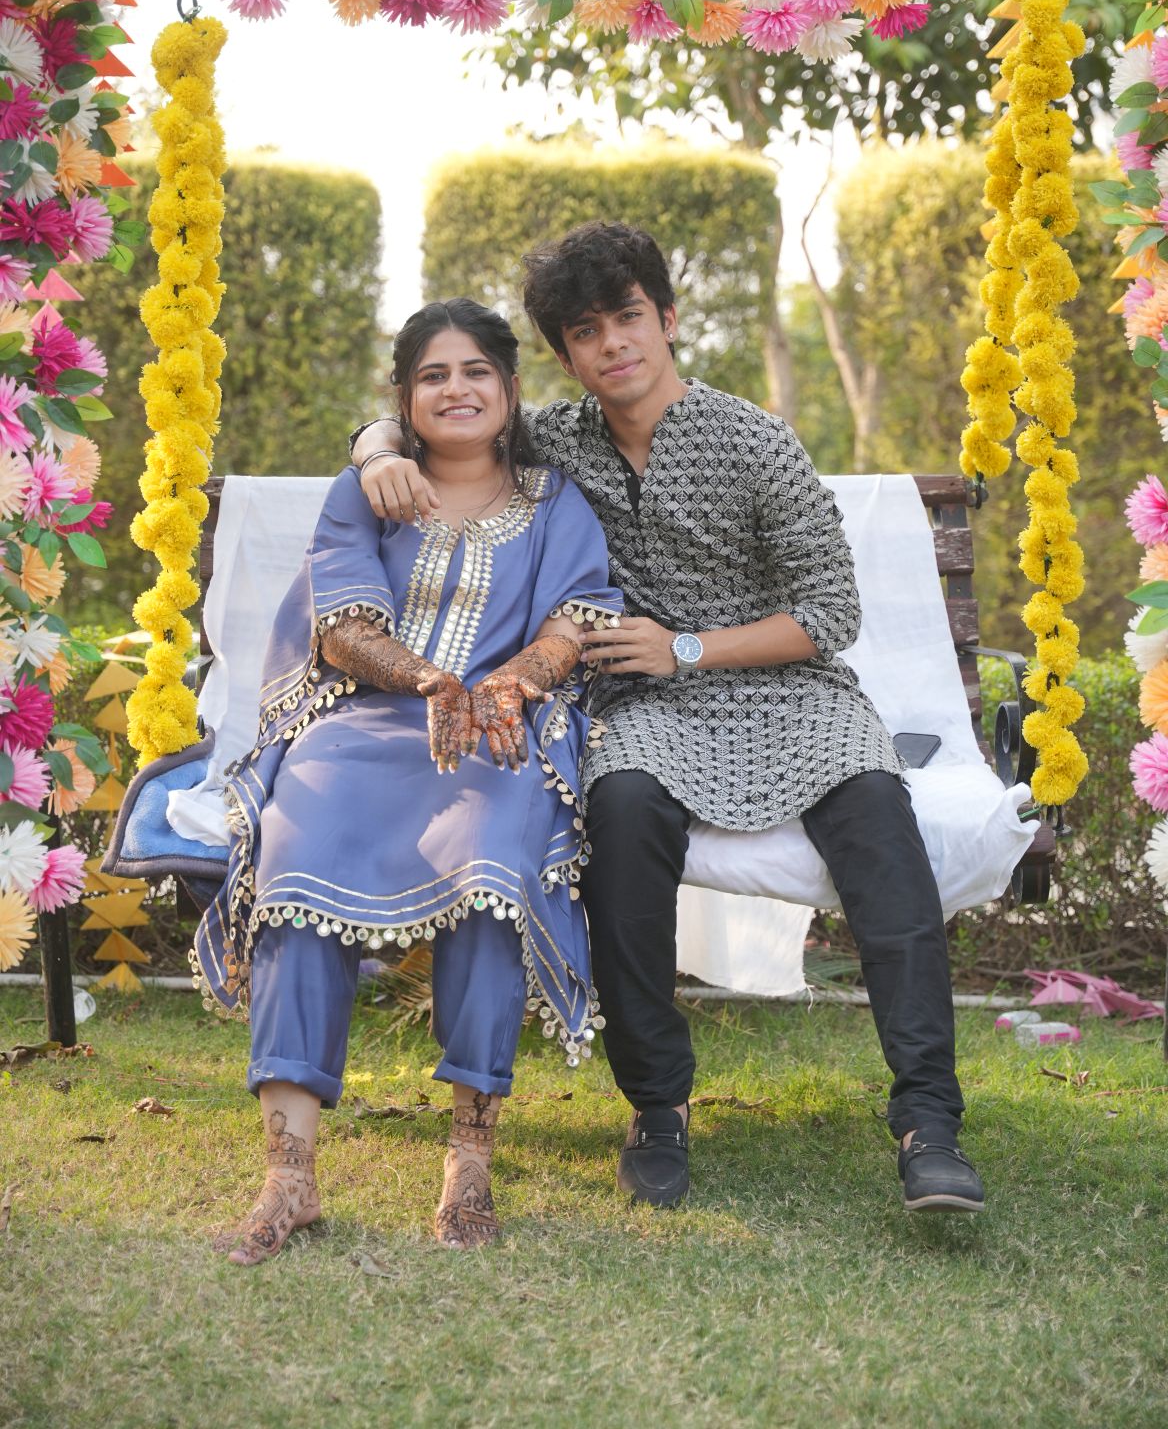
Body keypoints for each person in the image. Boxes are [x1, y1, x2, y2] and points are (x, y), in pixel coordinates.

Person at [350, 223, 986, 1217]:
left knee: (877, 816)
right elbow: (449, 414)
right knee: (622, 815)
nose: (612, 344)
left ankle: (928, 1123)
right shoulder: (557, 441)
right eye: (585, 332)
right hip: (644, 706)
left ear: (668, 320)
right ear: (566, 356)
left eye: (628, 318)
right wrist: (375, 445)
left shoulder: (755, 440)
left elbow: (830, 614)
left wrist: (685, 645)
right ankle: (657, 1105)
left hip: (793, 693)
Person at [194, 298, 621, 1262]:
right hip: (362, 725)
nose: (456, 390)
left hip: (499, 731)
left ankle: (470, 1159)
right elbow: (341, 625)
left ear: (511, 390)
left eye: (476, 372)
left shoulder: (555, 502)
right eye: (433, 375)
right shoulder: (370, 491)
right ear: (403, 396)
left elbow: (576, 617)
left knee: (491, 870)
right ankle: (289, 1174)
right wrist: (427, 680)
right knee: (297, 858)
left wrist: (514, 681)